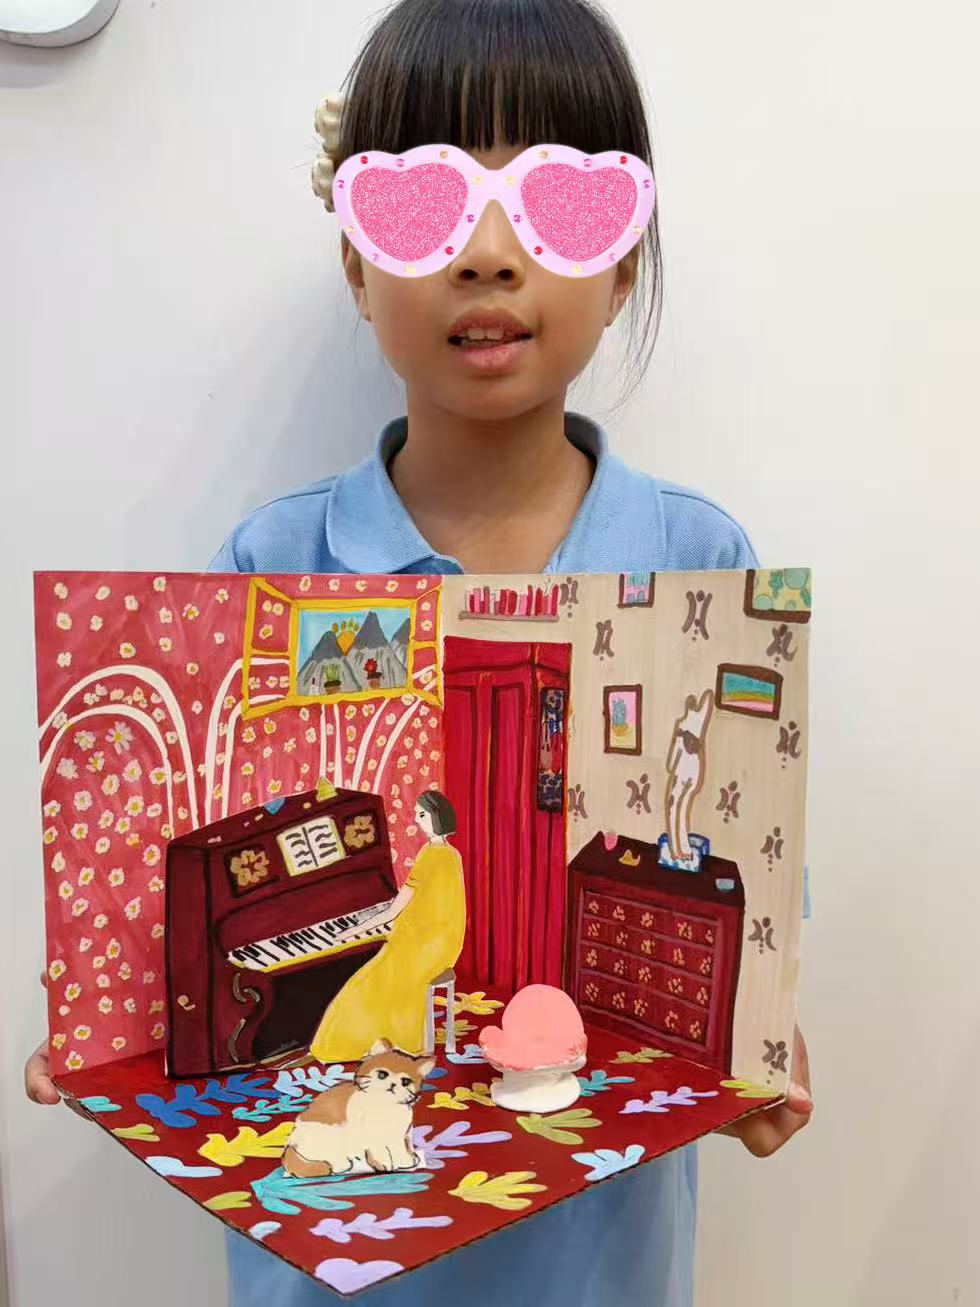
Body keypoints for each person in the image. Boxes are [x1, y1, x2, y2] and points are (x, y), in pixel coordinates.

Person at [25, 1, 813, 1304]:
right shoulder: (271, 560)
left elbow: (756, 907)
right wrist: (121, 1033)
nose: (489, 255)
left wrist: (757, 1049)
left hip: (592, 1272)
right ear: (355, 259)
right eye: (422, 207)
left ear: (623, 261)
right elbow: (182, 913)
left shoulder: (697, 556)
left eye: (555, 204)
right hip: (323, 1254)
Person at [308, 791, 465, 1062]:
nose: (416, 820)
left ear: (436, 816)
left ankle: (379, 1043)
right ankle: (388, 1038)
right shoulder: (452, 855)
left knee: (367, 983)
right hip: (445, 942)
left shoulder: (431, 855)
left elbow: (393, 912)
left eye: (421, 814)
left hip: (425, 945)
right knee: (378, 977)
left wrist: (351, 930)